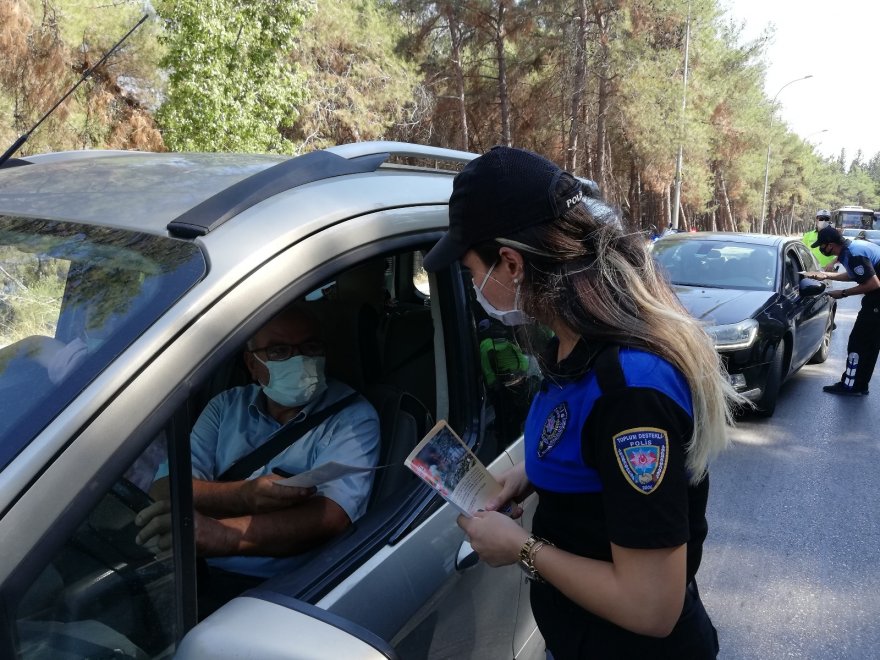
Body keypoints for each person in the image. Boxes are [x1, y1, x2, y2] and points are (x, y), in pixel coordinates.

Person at [422, 146, 741, 658]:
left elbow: (652, 608)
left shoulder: (629, 390)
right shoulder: (571, 343)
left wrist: (521, 549)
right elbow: (584, 440)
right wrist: (528, 474)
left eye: (470, 269)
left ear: (510, 262)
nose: (473, 286)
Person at [136, 303, 380, 601]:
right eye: (278, 351)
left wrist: (221, 535)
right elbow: (164, 488)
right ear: (252, 365)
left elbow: (332, 516)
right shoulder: (225, 407)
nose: (300, 360)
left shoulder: (353, 418)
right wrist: (243, 495)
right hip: (191, 568)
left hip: (283, 589)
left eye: (310, 346)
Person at [804, 225, 880, 396]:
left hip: (876, 301)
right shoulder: (850, 249)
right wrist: (827, 275)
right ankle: (860, 385)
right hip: (875, 300)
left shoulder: (853, 254)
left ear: (830, 244)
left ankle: (849, 385)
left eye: (822, 246)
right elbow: (857, 275)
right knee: (870, 345)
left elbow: (873, 283)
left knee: (858, 343)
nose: (822, 249)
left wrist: (843, 293)